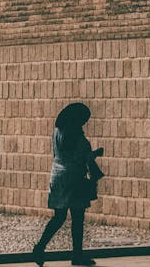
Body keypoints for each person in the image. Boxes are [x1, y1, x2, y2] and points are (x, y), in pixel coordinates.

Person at [32, 102, 104, 267]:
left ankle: (40, 247)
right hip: (74, 179)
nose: (84, 123)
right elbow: (81, 157)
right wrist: (95, 153)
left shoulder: (57, 132)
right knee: (78, 218)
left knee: (59, 217)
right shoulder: (75, 134)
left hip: (57, 176)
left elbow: (61, 153)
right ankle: (77, 255)